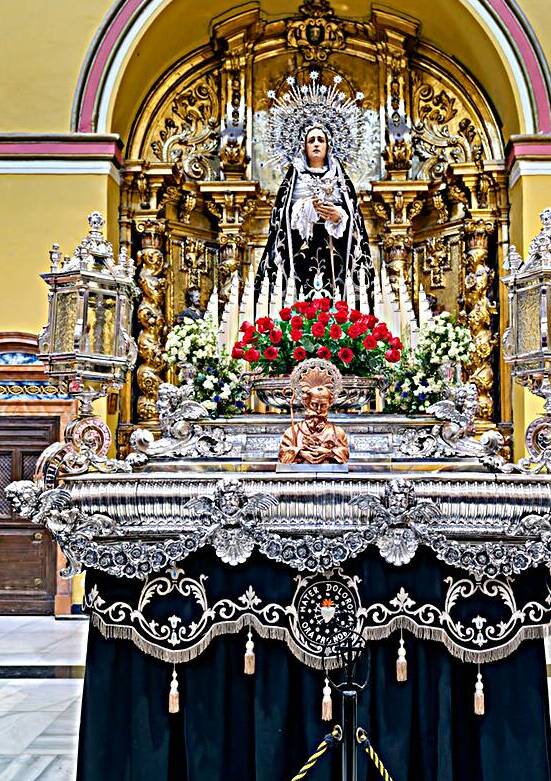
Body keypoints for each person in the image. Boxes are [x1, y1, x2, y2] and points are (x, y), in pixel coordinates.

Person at [256, 72, 373, 306]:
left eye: (321, 139)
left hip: (335, 251)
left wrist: (339, 216)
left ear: (329, 145)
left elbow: (354, 220)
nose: (317, 143)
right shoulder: (294, 177)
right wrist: (306, 208)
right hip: (301, 248)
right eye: (312, 140)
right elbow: (282, 219)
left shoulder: (339, 177)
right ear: (303, 146)